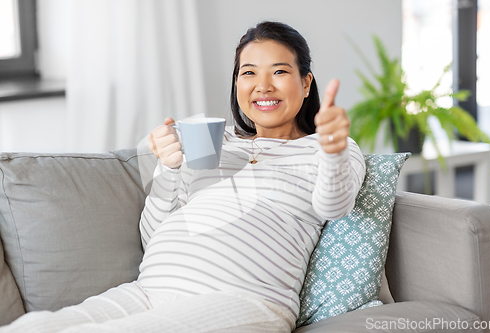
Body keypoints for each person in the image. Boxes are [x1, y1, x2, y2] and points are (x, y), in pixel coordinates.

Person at [0, 21, 365, 333]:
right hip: (148, 291)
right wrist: (169, 168)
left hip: (242, 298)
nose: (262, 85)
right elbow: (154, 234)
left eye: (280, 71)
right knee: (31, 328)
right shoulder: (212, 140)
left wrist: (332, 152)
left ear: (306, 83)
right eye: (248, 72)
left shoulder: (330, 147)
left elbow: (334, 205)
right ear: (236, 84)